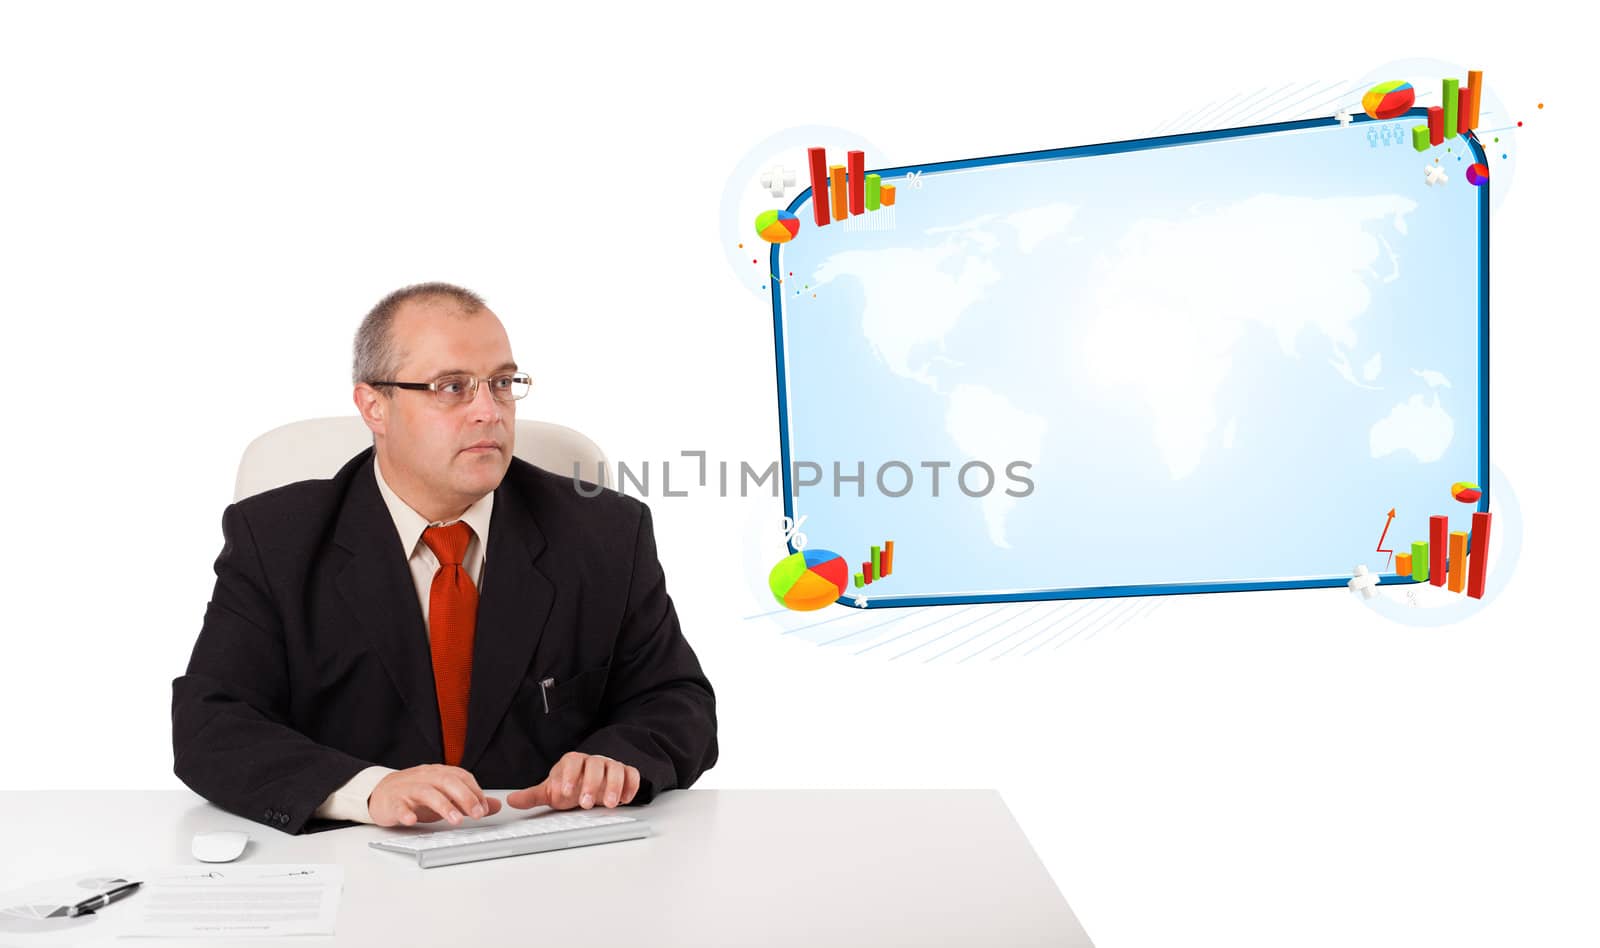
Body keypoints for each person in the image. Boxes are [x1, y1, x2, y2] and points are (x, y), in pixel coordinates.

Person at [172, 282, 718, 834]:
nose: (489, 412)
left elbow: (676, 701)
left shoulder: (604, 532)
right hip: (357, 863)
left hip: (547, 858)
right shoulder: (277, 539)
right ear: (373, 406)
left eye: (502, 384)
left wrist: (616, 758)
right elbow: (211, 725)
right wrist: (366, 790)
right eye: (451, 387)